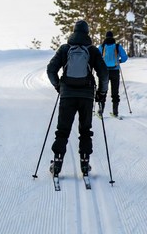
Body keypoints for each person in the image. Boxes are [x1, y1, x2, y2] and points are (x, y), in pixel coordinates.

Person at [46, 20, 109, 175]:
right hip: (87, 95)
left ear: (73, 32)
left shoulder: (65, 49)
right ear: (87, 33)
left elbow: (50, 70)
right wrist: (101, 94)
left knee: (63, 130)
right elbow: (104, 74)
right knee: (85, 130)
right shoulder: (93, 50)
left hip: (67, 95)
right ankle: (85, 163)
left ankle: (58, 162)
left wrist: (58, 86)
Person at [98, 31, 128, 117]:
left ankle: (100, 112)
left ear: (106, 37)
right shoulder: (117, 46)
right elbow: (125, 57)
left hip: (104, 71)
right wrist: (119, 61)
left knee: (103, 91)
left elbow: (96, 57)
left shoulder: (102, 46)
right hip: (115, 71)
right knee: (115, 92)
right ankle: (115, 112)